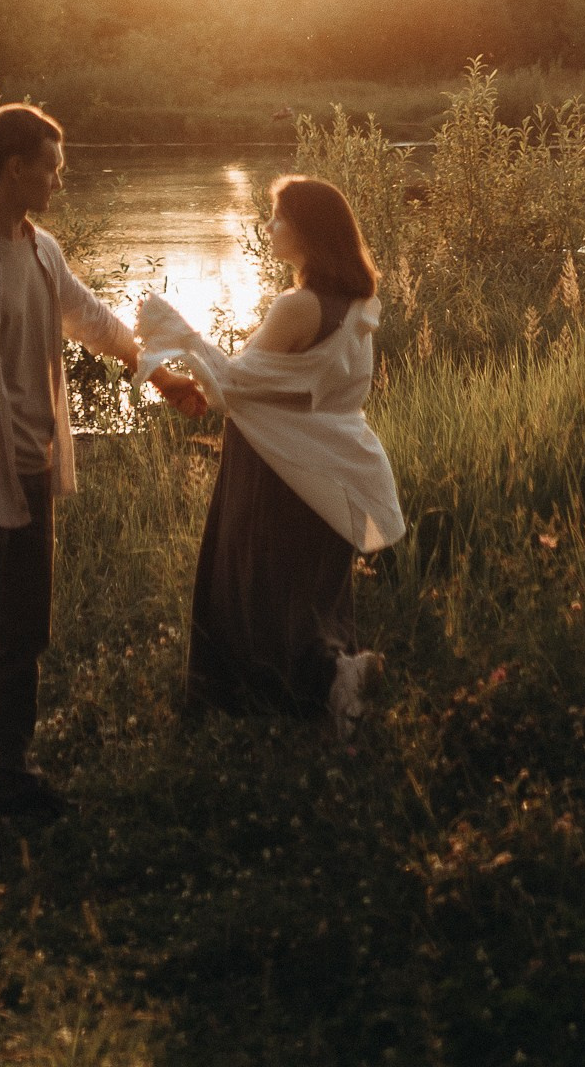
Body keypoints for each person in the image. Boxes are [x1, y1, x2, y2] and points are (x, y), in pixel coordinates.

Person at [0, 102, 207, 864]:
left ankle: (10, 781)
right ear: (16, 169)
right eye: (52, 165)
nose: (59, 178)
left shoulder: (41, 252)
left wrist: (159, 373)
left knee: (23, 640)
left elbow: (94, 321)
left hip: (33, 474)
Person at [134, 174, 405, 737]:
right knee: (310, 590)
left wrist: (177, 343)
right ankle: (334, 682)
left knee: (252, 586)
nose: (269, 227)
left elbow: (234, 384)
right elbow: (281, 385)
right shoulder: (359, 303)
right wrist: (192, 378)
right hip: (336, 462)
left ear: (307, 231)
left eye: (278, 217)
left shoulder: (297, 306)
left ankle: (295, 693)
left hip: (277, 464)